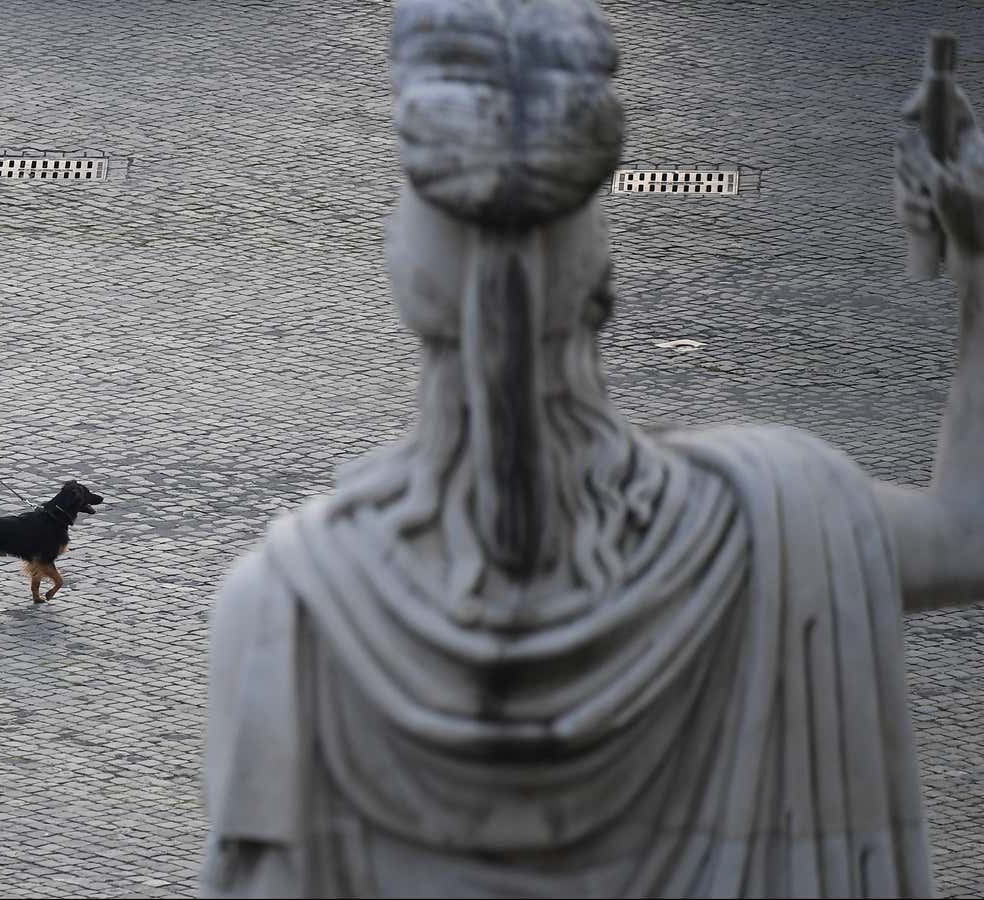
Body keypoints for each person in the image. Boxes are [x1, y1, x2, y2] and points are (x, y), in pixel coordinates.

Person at [200, 1, 984, 896]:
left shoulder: (281, 615)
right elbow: (970, 532)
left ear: (408, 285)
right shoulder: (781, 522)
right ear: (602, 282)